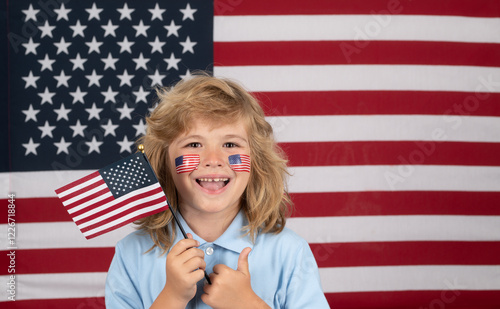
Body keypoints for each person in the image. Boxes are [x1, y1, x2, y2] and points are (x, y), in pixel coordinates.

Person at [105, 74, 330, 308]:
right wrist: (172, 296)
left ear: (256, 160)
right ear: (164, 162)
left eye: (230, 144)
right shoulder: (131, 254)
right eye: (194, 144)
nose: (213, 160)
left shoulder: (289, 252)